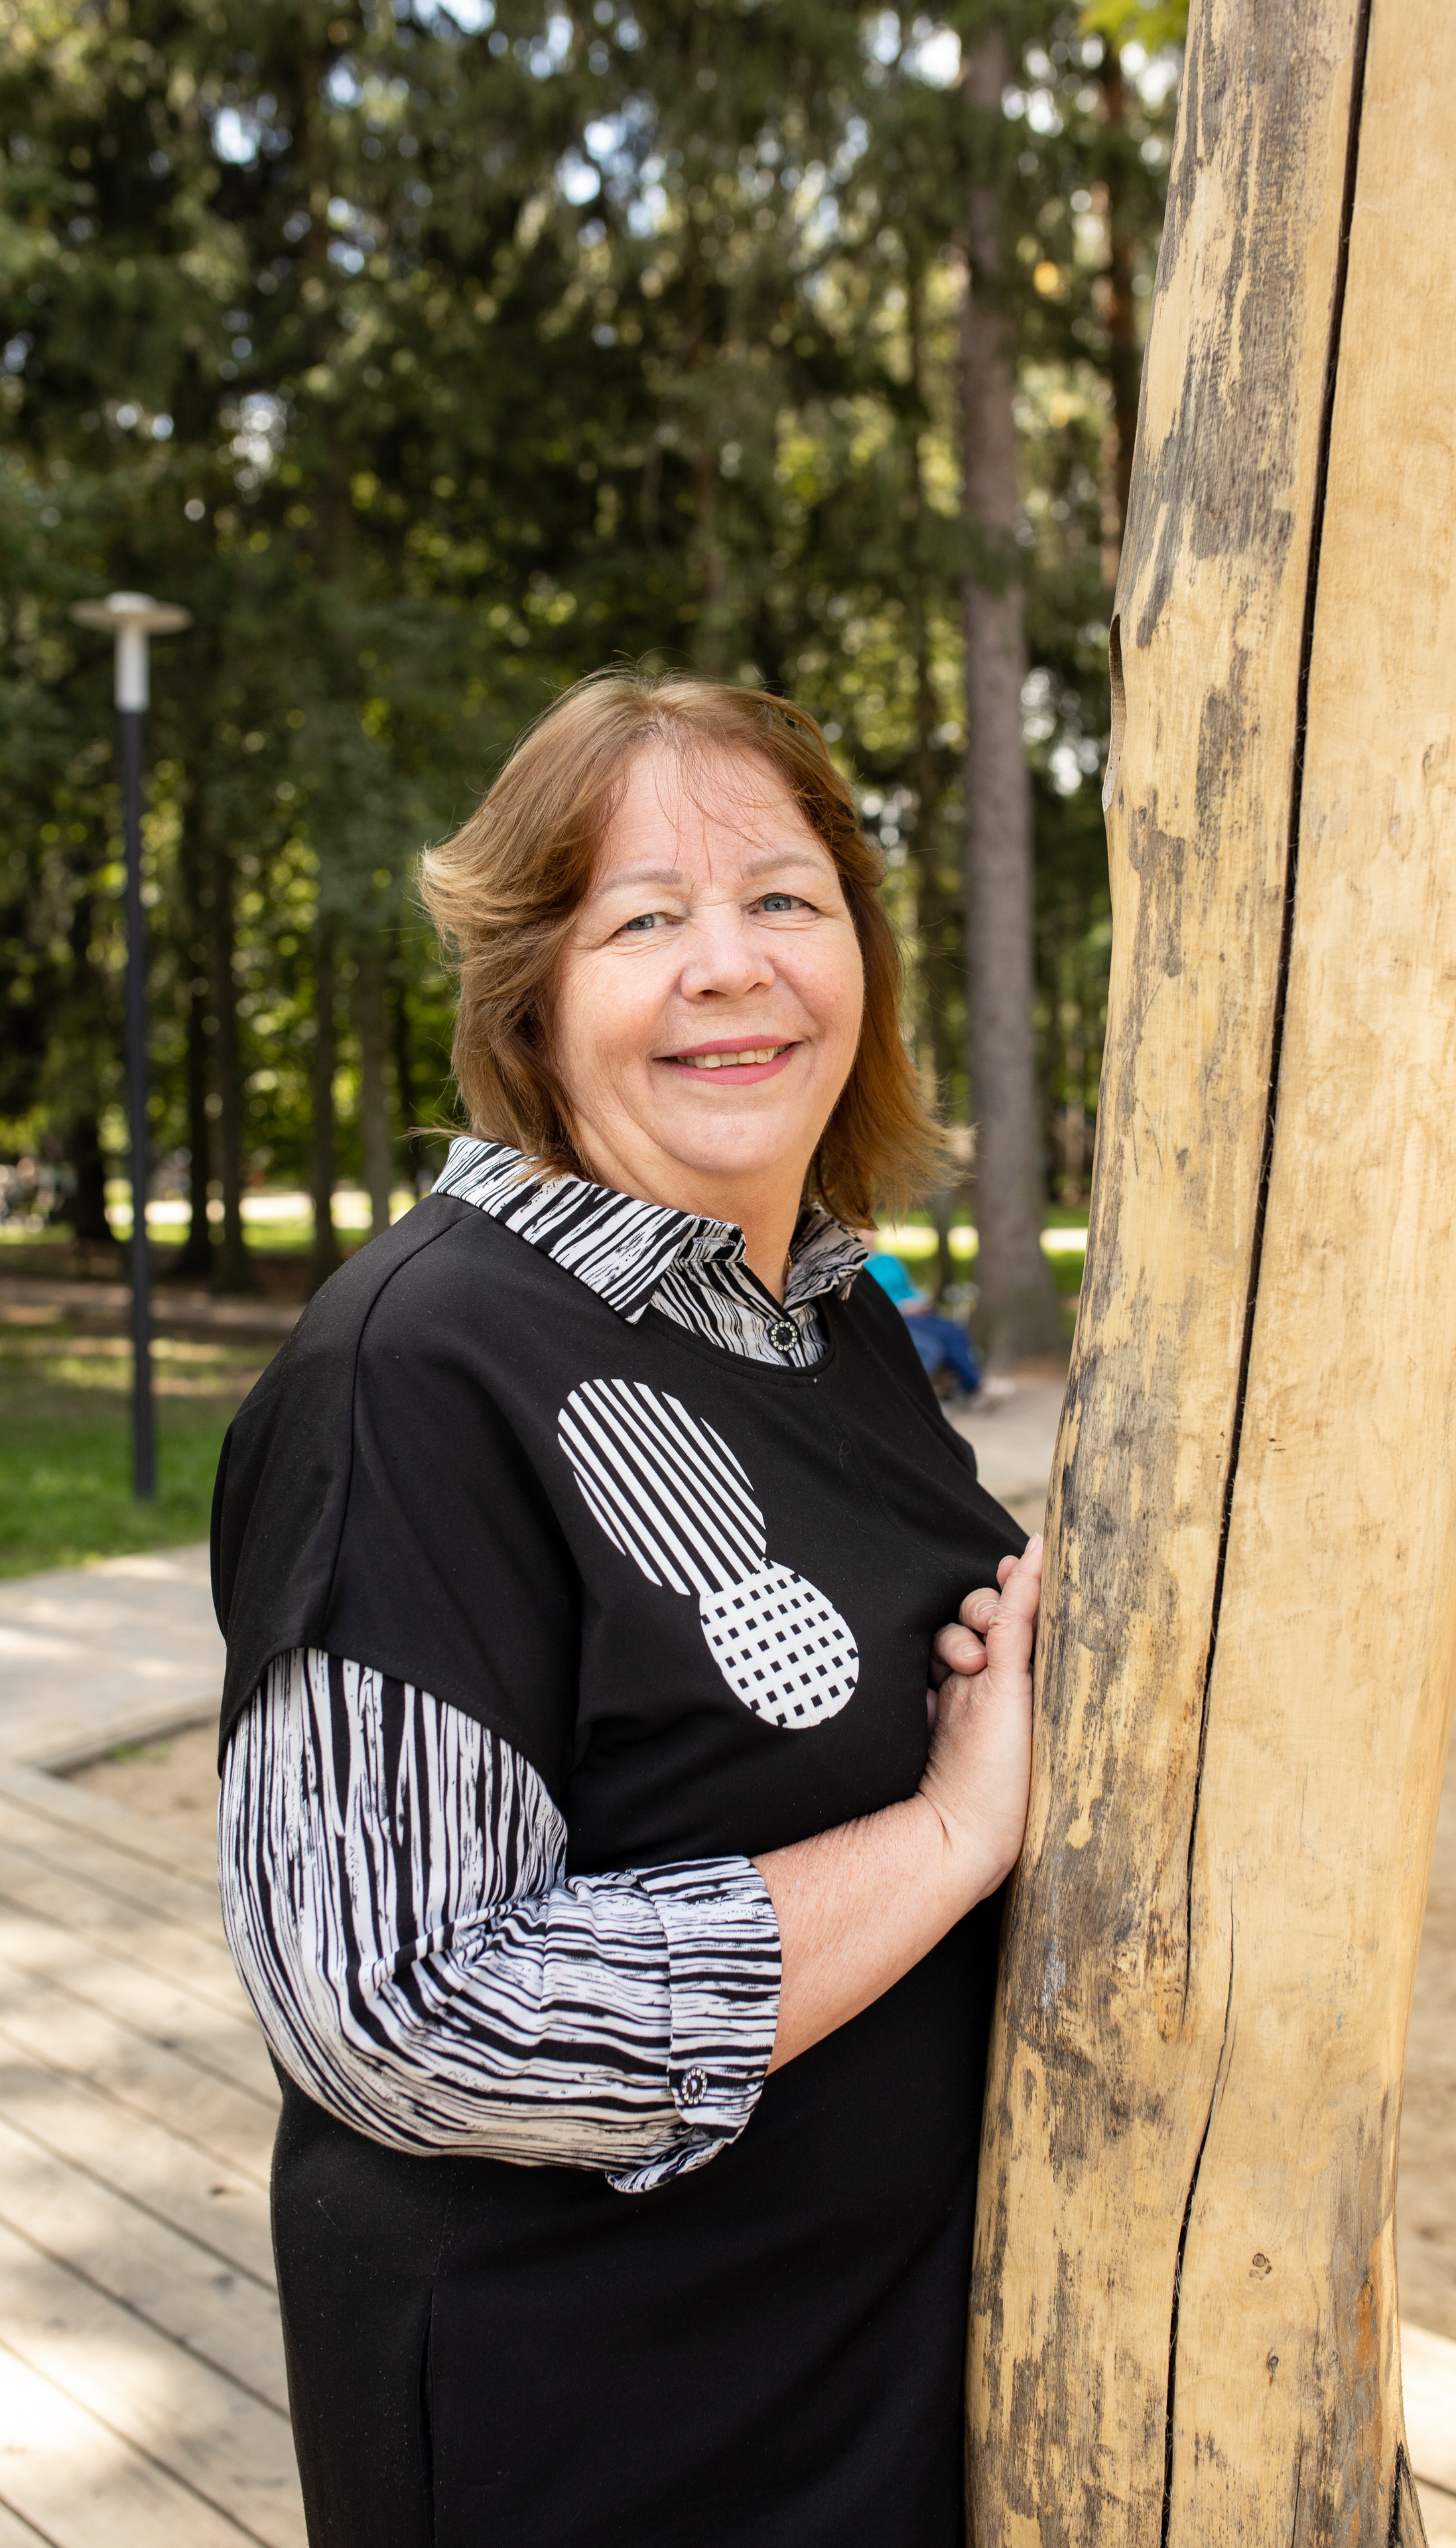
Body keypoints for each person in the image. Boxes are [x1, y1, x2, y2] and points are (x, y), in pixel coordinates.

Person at [212, 670, 1046, 2548]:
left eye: (783, 900)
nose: (729, 968)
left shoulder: (825, 1321)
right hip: (601, 2450)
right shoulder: (415, 1374)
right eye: (642, 920)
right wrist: (948, 1834)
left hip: (848, 2408)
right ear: (531, 995)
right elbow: (402, 2006)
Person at [862, 1236, 1016, 1407]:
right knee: (936, 1342)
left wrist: (920, 1301)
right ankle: (973, 1385)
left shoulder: (889, 1260)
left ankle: (972, 1384)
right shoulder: (858, 1267)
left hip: (914, 1312)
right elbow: (868, 1300)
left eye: (869, 1230)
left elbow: (908, 1288)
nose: (867, 1235)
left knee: (955, 1330)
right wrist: (900, 1306)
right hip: (892, 1315)